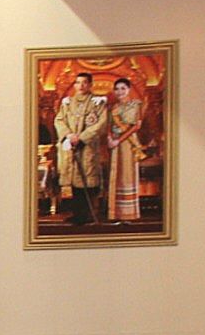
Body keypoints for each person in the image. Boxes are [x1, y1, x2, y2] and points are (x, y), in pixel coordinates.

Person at [53, 71, 109, 226]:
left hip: (88, 147)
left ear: (90, 85)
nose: (81, 85)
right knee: (74, 181)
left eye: (84, 82)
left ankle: (90, 214)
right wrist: (69, 135)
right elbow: (59, 120)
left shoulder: (98, 103)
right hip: (71, 145)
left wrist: (82, 137)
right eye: (78, 82)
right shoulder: (67, 103)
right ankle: (77, 214)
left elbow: (101, 124)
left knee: (88, 180)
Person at [106, 76, 146, 223]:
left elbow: (135, 126)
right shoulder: (113, 108)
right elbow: (109, 125)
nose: (120, 91)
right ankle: (116, 214)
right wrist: (110, 138)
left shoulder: (136, 105)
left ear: (129, 89)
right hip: (115, 145)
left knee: (126, 176)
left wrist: (118, 140)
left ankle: (128, 215)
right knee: (115, 176)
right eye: (117, 89)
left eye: (123, 88)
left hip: (128, 144)